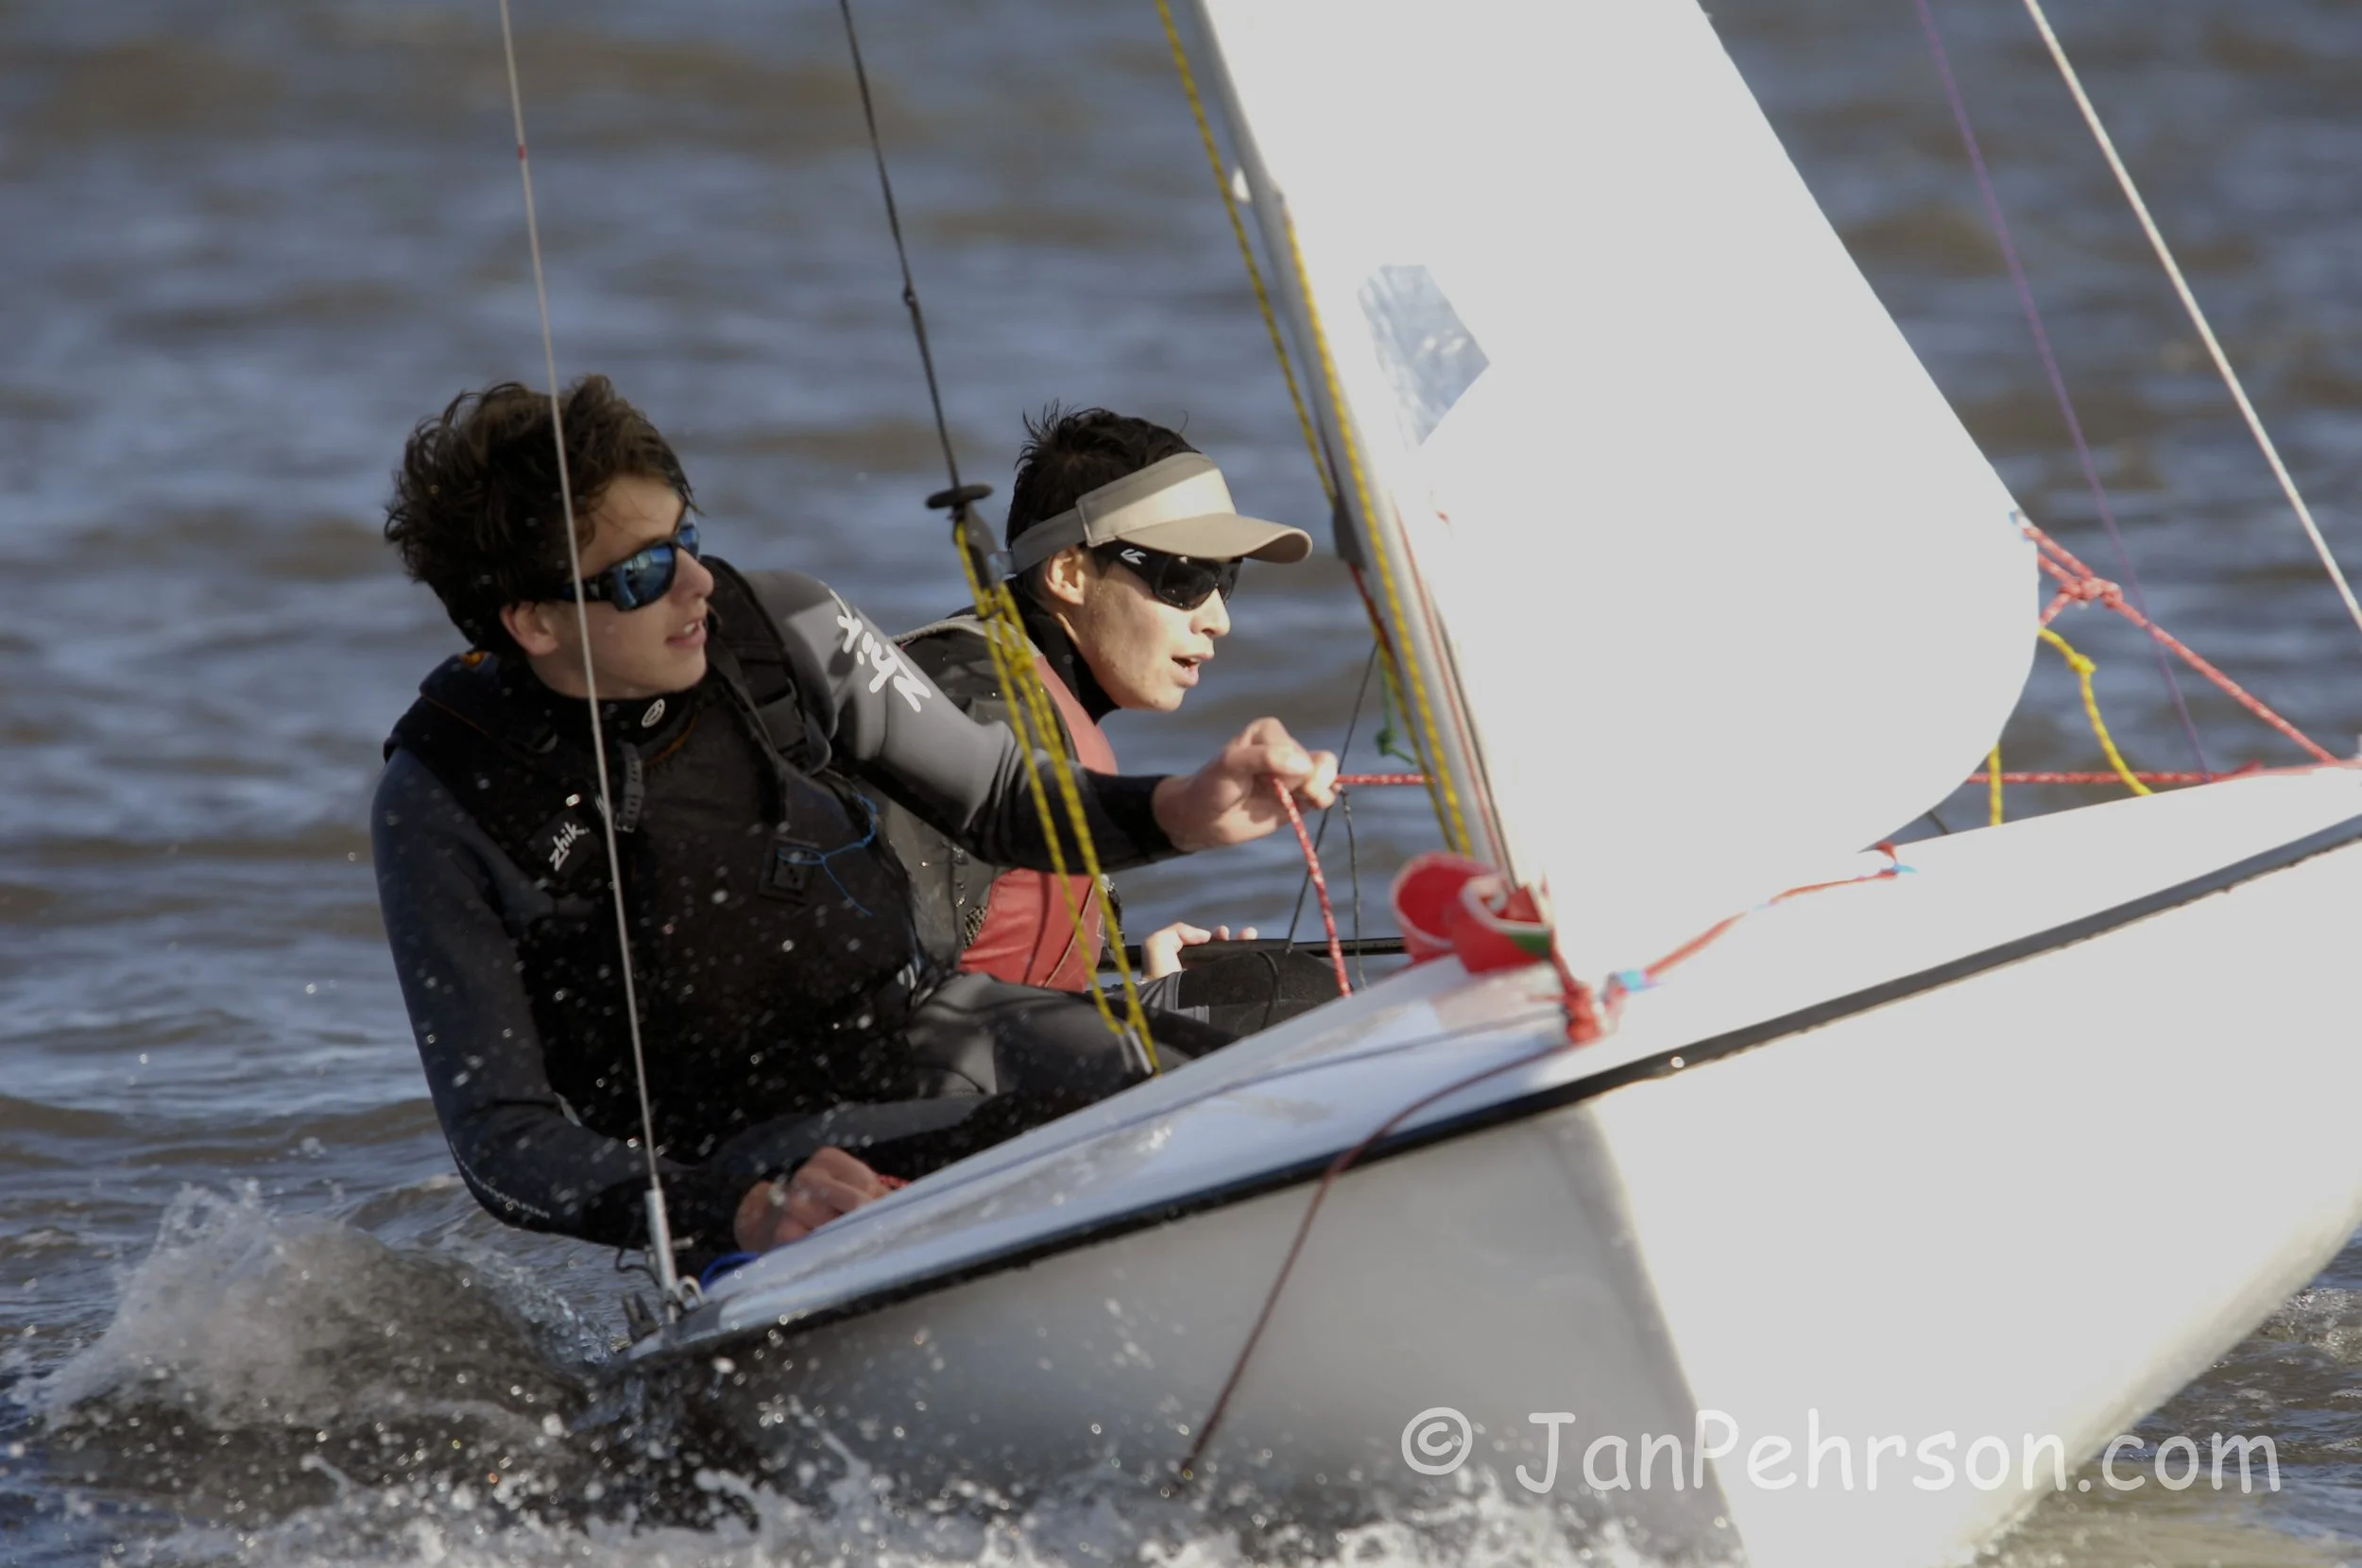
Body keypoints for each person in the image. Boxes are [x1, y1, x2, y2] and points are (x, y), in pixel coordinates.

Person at [370, 377, 1337, 1269]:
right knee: (1110, 1132)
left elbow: (998, 800)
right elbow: (503, 1141)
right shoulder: (445, 802)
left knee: (1284, 1092)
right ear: (534, 622)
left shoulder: (781, 624)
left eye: (687, 541)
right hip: (757, 1159)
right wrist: (738, 1211)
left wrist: (1184, 807)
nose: (697, 583)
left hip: (940, 1030)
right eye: (643, 573)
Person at [883, 407, 1329, 1014]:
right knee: (1285, 998)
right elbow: (878, 988)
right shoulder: (975, 706)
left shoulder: (1035, 698)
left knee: (1256, 987)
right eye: (1185, 578)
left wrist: (1143, 989)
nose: (1218, 618)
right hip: (942, 1064)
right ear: (1069, 572)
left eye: (1226, 579)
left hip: (1000, 1044)